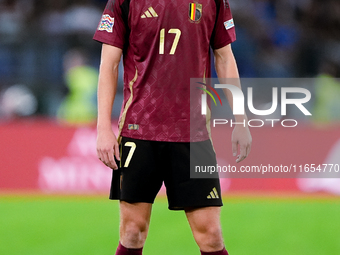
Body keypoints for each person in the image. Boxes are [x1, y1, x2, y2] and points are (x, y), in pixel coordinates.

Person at [93, 0, 252, 254]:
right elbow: (108, 66)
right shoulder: (123, 2)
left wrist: (241, 119)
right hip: (139, 130)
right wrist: (103, 128)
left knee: (211, 235)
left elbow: (224, 57)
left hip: (193, 133)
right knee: (133, 232)